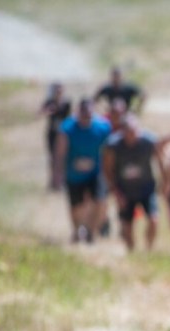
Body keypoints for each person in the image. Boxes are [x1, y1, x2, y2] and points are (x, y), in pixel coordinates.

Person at [102, 113, 165, 252]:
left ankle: (149, 249)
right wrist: (116, 192)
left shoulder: (150, 142)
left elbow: (161, 161)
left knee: (154, 219)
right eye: (128, 131)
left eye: (134, 131)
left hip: (146, 188)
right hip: (125, 190)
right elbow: (107, 169)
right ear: (122, 131)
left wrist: (164, 181)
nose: (132, 135)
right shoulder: (113, 145)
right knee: (126, 224)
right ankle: (131, 251)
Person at [55, 97, 112, 244]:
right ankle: (77, 230)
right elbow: (60, 152)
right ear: (78, 112)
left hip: (95, 173)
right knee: (76, 207)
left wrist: (111, 172)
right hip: (73, 175)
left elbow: (110, 151)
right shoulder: (67, 129)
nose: (87, 117)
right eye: (84, 114)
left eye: (89, 114)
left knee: (99, 201)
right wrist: (58, 174)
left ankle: (91, 234)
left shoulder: (103, 128)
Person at [38, 81, 71, 190]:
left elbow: (70, 118)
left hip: (63, 134)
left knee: (62, 157)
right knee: (52, 158)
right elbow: (40, 113)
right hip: (52, 133)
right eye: (57, 90)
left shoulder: (66, 103)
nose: (58, 92)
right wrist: (48, 111)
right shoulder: (50, 102)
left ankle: (62, 181)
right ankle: (53, 182)